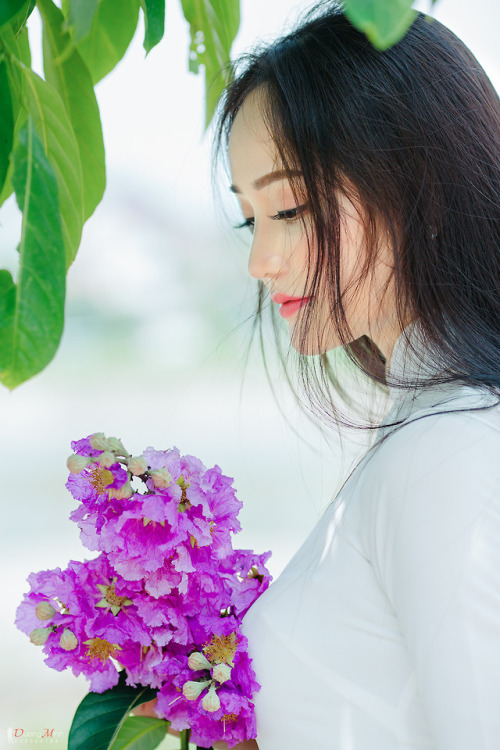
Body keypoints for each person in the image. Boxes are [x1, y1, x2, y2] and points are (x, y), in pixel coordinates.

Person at [135, 1, 500, 748]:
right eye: (251, 219)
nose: (260, 261)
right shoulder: (428, 434)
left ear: (420, 186)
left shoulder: (449, 451)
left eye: (292, 207)